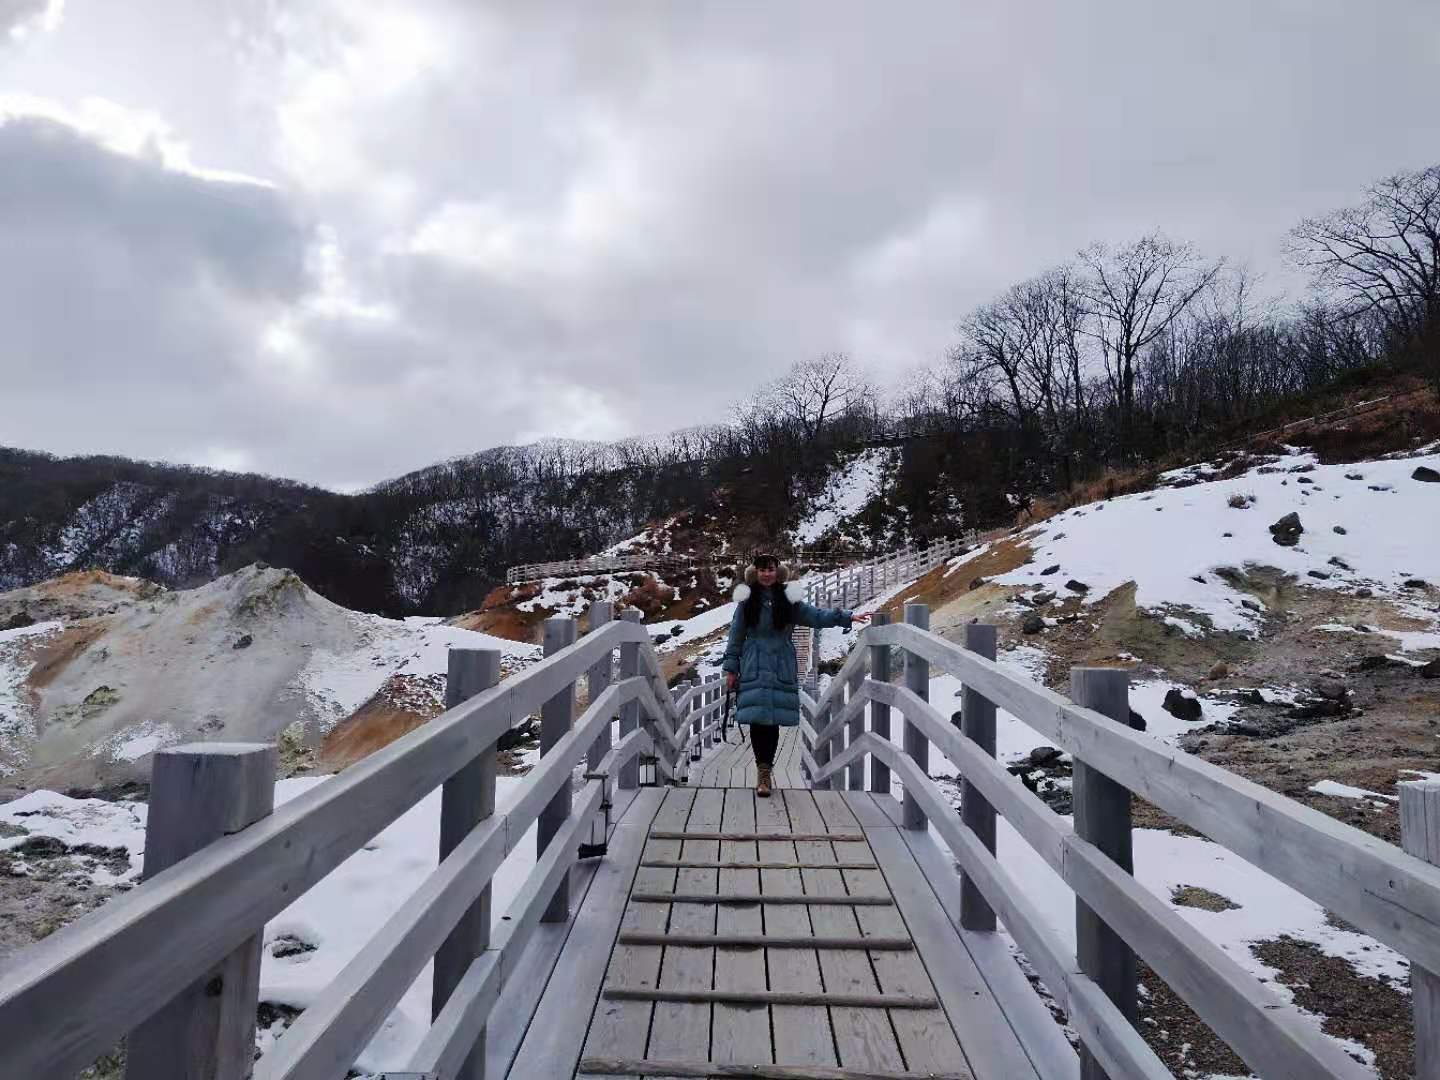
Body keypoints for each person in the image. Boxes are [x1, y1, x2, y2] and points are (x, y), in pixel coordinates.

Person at [722, 553, 869, 797]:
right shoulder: (746, 602)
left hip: (781, 664)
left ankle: (765, 772)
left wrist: (845, 616)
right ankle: (763, 773)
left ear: (777, 572)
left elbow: (816, 616)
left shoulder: (789, 600)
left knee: (773, 720)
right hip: (754, 663)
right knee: (759, 722)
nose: (766, 574)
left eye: (770, 569)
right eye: (762, 570)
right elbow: (736, 636)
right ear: (755, 573)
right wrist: (730, 668)